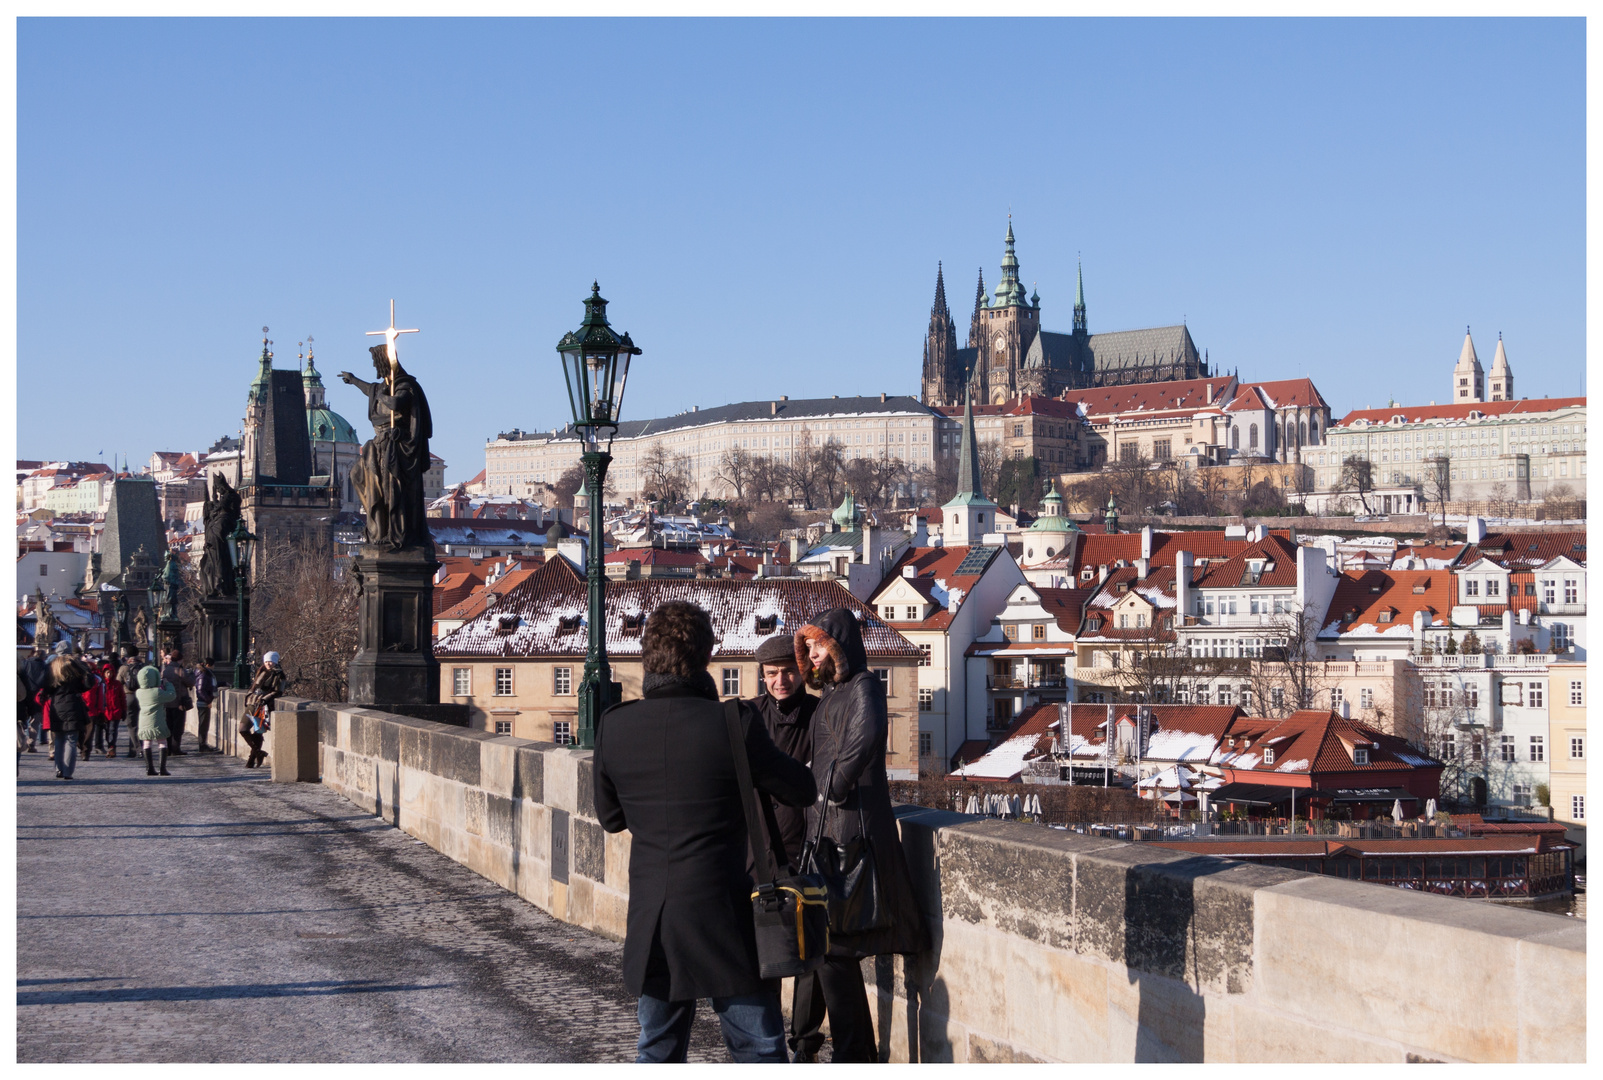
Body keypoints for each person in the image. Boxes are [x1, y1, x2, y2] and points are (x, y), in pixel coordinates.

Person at [594, 600, 816, 1064]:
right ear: (706, 656)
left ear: (647, 656)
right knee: (758, 1050)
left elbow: (611, 818)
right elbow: (801, 790)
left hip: (654, 919)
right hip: (725, 916)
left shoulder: (614, 726)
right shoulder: (734, 723)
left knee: (657, 1050)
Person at [794, 608, 930, 1063]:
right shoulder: (833, 693)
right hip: (828, 833)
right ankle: (849, 1052)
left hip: (851, 833)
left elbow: (869, 735)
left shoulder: (864, 686)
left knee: (834, 946)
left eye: (819, 644)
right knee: (832, 949)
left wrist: (834, 786)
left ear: (838, 644)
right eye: (808, 647)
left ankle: (855, 1056)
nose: (812, 654)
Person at [45, 654, 92, 780]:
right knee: (71, 740)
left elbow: (46, 690)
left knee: (59, 740)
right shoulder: (74, 678)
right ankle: (68, 772)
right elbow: (88, 685)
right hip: (73, 708)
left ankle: (59, 769)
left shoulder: (53, 678)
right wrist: (83, 667)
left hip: (57, 708)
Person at [242, 652, 287, 769]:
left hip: (263, 704)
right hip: (252, 703)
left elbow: (277, 691)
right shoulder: (261, 670)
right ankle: (258, 753)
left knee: (258, 731)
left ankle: (251, 761)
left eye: (271, 661)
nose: (268, 663)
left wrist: (265, 699)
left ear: (275, 662)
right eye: (266, 661)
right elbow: (254, 687)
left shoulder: (279, 675)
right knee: (243, 729)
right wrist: (248, 696)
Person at [134, 665, 176, 777]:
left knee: (147, 742)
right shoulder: (157, 692)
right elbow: (171, 695)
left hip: (144, 721)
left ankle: (149, 768)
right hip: (157, 720)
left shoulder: (139, 692)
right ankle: (162, 768)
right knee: (162, 742)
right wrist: (167, 684)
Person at [160, 648, 195, 755]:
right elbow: (190, 682)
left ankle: (168, 748)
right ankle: (175, 748)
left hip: (167, 702)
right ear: (180, 660)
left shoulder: (165, 670)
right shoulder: (180, 670)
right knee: (178, 727)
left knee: (168, 726)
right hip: (179, 702)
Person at [19, 646, 48, 753]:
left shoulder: (25, 664)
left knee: (21, 720)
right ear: (43, 657)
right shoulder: (45, 667)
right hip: (38, 697)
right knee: (35, 722)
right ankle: (31, 744)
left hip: (25, 696)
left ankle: (20, 740)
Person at [100, 657, 126, 757]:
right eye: (107, 672)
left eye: (110, 672)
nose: (109, 674)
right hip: (105, 711)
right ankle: (110, 745)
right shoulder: (102, 684)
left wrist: (124, 710)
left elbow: (122, 698)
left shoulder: (117, 684)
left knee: (113, 730)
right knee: (107, 731)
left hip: (115, 711)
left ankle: (112, 747)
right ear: (104, 673)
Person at [117, 651, 142, 757]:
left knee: (131, 725)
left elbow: (118, 682)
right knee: (139, 724)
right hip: (141, 696)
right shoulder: (143, 667)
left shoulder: (124, 668)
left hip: (129, 696)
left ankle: (138, 748)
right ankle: (133, 749)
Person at [193, 657, 218, 752]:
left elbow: (209, 686)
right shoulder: (204, 674)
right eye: (213, 665)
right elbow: (200, 689)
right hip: (203, 703)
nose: (214, 667)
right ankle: (202, 745)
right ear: (208, 665)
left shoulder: (204, 674)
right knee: (203, 725)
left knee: (204, 724)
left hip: (204, 702)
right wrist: (208, 701)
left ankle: (203, 744)